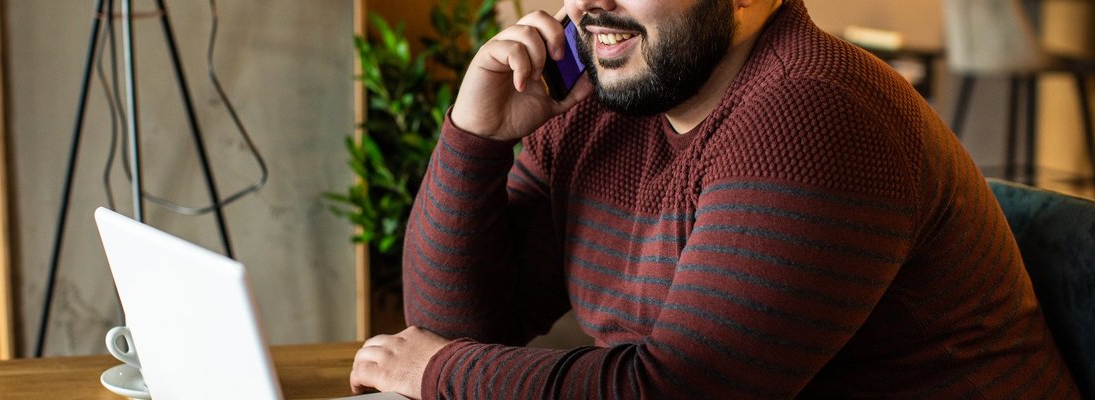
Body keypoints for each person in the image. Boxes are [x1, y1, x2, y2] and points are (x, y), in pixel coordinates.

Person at [349, 0, 1081, 398]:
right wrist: (475, 135)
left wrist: (437, 372)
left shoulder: (815, 111)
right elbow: (455, 324)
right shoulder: (603, 101)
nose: (588, 6)